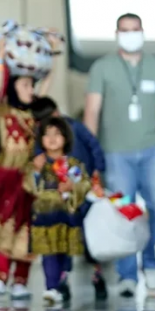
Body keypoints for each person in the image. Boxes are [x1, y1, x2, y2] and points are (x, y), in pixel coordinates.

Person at [83, 13, 155, 297]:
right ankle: (127, 275)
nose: (130, 34)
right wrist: (91, 155)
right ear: (116, 34)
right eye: (125, 30)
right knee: (123, 211)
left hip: (151, 149)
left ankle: (151, 265)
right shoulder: (102, 68)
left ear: (142, 32)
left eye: (135, 30)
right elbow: (92, 112)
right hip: (115, 152)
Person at [0, 38, 39, 300]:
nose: (31, 89)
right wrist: (1, 59)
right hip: (5, 176)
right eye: (25, 84)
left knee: (27, 227)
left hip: (30, 180)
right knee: (2, 225)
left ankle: (21, 280)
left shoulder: (38, 115)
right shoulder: (3, 110)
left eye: (32, 85)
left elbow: (45, 82)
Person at [31, 98, 108, 299]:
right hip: (57, 204)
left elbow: (93, 145)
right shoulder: (41, 149)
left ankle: (96, 273)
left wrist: (97, 171)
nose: (52, 136)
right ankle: (61, 279)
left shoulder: (76, 128)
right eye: (46, 130)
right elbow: (36, 175)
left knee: (89, 234)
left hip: (83, 193)